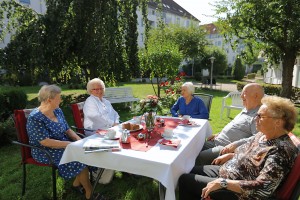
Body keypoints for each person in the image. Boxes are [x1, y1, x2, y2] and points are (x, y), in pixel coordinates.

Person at [179, 96, 298, 200]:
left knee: (185, 180)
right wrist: (232, 155)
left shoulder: (281, 150)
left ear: (277, 122)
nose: (255, 119)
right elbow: (250, 153)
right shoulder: (263, 135)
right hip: (229, 173)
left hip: (240, 193)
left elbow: (263, 188)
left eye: (260, 116)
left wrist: (223, 183)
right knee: (188, 169)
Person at [26, 85, 102, 200]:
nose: (61, 100)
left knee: (87, 151)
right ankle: (89, 193)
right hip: (45, 151)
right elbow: (45, 142)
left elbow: (67, 129)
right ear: (49, 100)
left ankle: (76, 184)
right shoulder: (35, 118)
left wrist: (78, 140)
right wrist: (69, 145)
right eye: (59, 97)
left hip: (64, 144)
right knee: (79, 159)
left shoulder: (57, 110)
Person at [196, 83, 264, 165]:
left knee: (199, 156)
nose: (241, 96)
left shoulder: (259, 115)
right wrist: (219, 133)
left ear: (256, 96)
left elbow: (257, 138)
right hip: (217, 141)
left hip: (225, 147)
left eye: (244, 93)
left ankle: (188, 175)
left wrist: (236, 145)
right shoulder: (246, 109)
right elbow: (235, 126)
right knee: (193, 147)